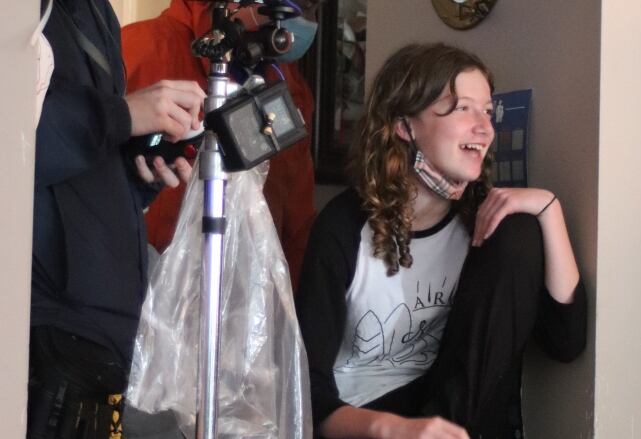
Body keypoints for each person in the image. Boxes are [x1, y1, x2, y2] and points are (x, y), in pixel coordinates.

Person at [295, 42, 587, 438]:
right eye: (462, 108)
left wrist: (548, 209)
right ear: (405, 126)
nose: (484, 128)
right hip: (366, 420)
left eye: (487, 110)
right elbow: (306, 393)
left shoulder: (485, 222)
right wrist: (392, 430)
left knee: (519, 231)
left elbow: (565, 343)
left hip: (455, 416)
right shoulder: (343, 226)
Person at [27, 0, 205, 437]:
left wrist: (137, 173)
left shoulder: (95, 12)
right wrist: (123, 114)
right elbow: (15, 136)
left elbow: (84, 162)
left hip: (104, 330)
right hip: (45, 331)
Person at [121, 0, 318, 292]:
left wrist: (288, 319)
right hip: (146, 299)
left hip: (250, 304)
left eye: (310, 7)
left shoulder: (285, 87)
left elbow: (297, 226)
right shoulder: (135, 50)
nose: (300, 17)